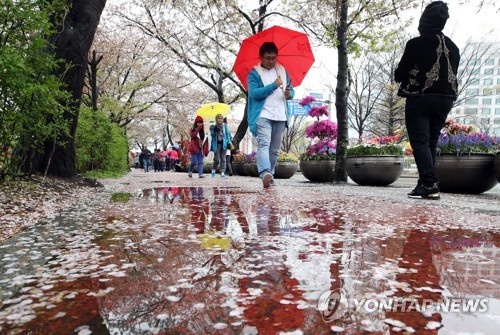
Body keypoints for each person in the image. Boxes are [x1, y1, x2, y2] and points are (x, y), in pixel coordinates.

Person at [395, 1, 460, 200]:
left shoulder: (416, 43)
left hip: (421, 96)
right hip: (446, 98)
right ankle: (424, 183)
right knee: (430, 142)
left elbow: (400, 74)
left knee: (420, 141)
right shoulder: (454, 47)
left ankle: (430, 183)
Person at [247, 41, 295, 188]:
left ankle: (270, 175)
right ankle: (265, 172)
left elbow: (291, 90)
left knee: (274, 149)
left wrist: (289, 94)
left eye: (274, 58)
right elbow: (254, 94)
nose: (271, 61)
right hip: (263, 115)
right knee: (264, 144)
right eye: (268, 58)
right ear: (261, 57)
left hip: (280, 115)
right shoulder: (254, 73)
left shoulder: (282, 71)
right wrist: (274, 85)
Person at [210, 113, 231, 178]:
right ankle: (213, 170)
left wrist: (229, 143)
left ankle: (222, 172)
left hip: (224, 144)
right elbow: (212, 135)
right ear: (216, 119)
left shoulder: (225, 126)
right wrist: (215, 130)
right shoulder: (213, 126)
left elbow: (227, 135)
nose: (220, 120)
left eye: (221, 118)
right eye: (218, 118)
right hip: (216, 145)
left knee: (223, 159)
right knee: (217, 159)